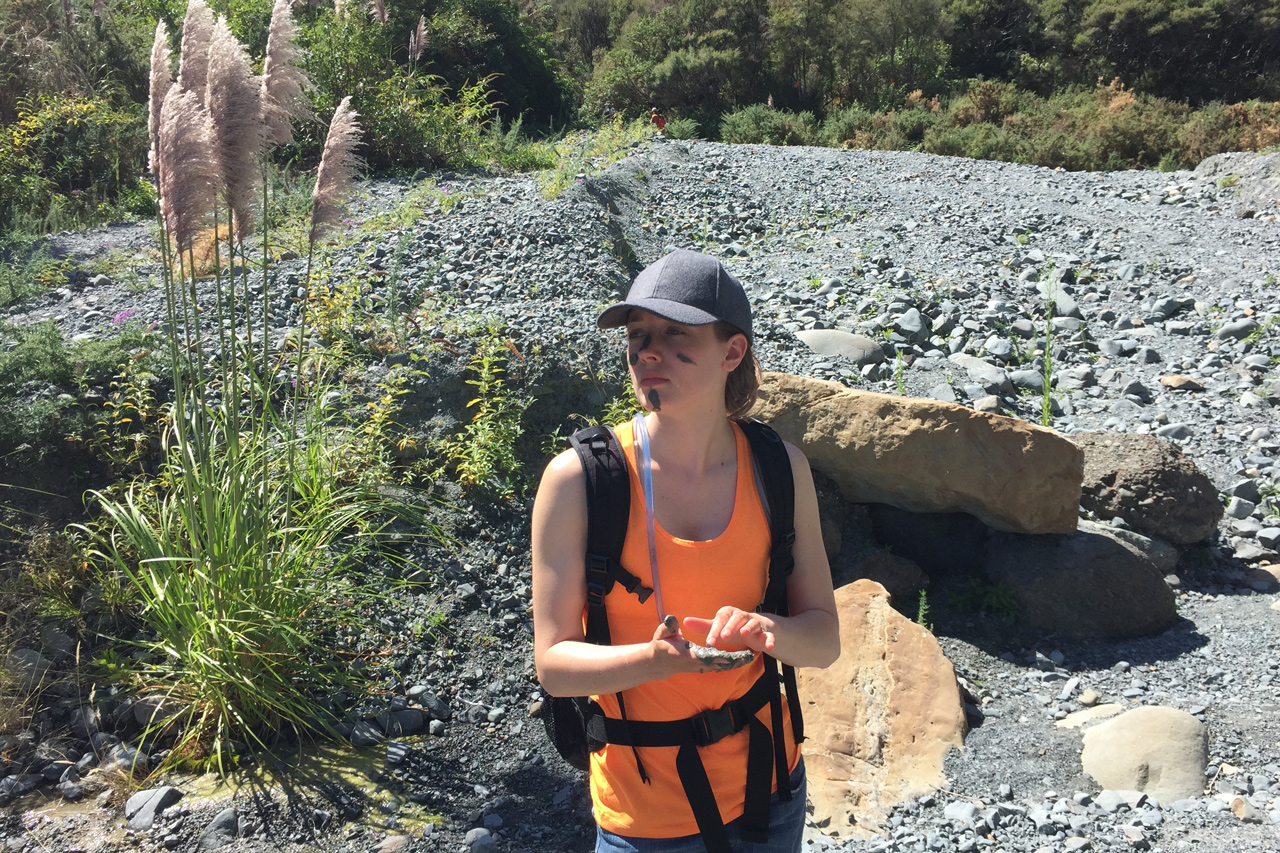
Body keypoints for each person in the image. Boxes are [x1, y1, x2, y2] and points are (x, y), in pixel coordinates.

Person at [532, 249, 841, 853]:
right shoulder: (580, 482)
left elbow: (823, 640)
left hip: (771, 791)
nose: (648, 352)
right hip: (645, 815)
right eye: (638, 335)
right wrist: (657, 660)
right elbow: (555, 666)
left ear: (733, 352)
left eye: (676, 334)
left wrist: (766, 631)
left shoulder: (780, 470)